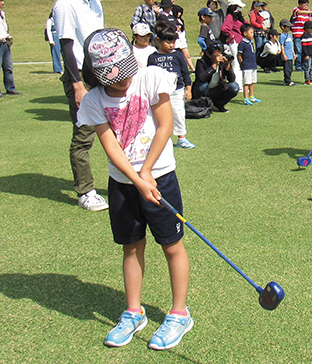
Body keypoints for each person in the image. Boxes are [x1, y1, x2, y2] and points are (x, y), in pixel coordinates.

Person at [77, 27, 194, 350]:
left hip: (161, 177)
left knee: (172, 245)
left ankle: (179, 313)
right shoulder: (94, 99)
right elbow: (110, 145)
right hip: (123, 183)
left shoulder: (150, 77)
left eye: (126, 71)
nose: (123, 81)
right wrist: (136, 179)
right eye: (114, 77)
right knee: (131, 246)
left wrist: (146, 172)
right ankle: (133, 311)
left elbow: (165, 126)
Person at [53, 0, 109, 211]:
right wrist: (77, 85)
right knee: (84, 135)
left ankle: (126, 180)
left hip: (102, 73)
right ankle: (85, 191)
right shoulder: (65, 4)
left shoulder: (95, 3)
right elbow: (66, 46)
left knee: (117, 127)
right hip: (79, 76)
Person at [148, 22, 195, 149]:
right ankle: (160, 138)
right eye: (167, 42)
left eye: (173, 42)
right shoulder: (153, 57)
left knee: (178, 113)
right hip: (159, 92)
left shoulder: (178, 54)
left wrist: (188, 88)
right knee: (158, 115)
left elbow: (185, 72)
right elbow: (149, 76)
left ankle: (181, 138)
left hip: (176, 90)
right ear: (158, 40)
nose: (171, 45)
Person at [192, 41, 239, 113]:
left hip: (217, 89)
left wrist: (227, 67)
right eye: (216, 54)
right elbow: (201, 78)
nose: (219, 56)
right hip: (204, 90)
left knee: (234, 86)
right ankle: (203, 105)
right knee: (203, 85)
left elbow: (231, 79)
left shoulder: (222, 63)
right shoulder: (201, 62)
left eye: (220, 53)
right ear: (209, 55)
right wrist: (214, 66)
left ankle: (219, 104)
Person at [220, 0, 248, 92]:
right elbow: (224, 28)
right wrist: (231, 35)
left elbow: (246, 24)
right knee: (236, 63)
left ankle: (240, 84)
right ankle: (238, 84)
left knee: (239, 63)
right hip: (234, 42)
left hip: (239, 41)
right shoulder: (230, 16)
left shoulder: (236, 17)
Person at [0, 0, 21, 97]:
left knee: (8, 67)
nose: (3, 3)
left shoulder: (2, 14)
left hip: (5, 43)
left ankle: (10, 88)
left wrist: (8, 36)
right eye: (1, 1)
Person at [238, 24, 262, 105]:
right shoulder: (242, 43)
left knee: (253, 81)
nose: (253, 34)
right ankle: (246, 98)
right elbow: (239, 55)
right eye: (251, 32)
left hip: (253, 65)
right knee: (247, 82)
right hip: (247, 66)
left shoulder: (251, 42)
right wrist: (241, 63)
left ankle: (251, 96)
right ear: (245, 33)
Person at [172, 4, 195, 71]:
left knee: (187, 55)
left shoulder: (181, 20)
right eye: (178, 12)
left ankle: (192, 68)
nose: (180, 13)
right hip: (176, 41)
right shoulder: (172, 20)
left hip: (182, 41)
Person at [291, 0, 312, 71]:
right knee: (298, 50)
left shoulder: (308, 12)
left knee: (305, 51)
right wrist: (310, 12)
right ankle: (298, 65)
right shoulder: (296, 9)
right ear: (300, 4)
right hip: (297, 33)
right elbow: (299, 12)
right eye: (305, 4)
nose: (306, 6)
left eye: (307, 5)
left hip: (305, 35)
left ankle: (304, 65)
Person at [279, 18, 297, 86]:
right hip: (286, 55)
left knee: (290, 68)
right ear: (283, 27)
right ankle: (287, 81)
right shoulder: (282, 36)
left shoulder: (289, 35)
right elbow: (282, 46)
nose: (289, 28)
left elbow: (291, 45)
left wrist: (293, 53)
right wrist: (283, 54)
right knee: (286, 69)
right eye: (287, 27)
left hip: (290, 55)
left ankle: (289, 79)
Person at [301, 20, 312, 84]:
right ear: (306, 28)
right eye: (310, 28)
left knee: (311, 67)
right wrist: (306, 55)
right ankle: (307, 79)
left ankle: (311, 78)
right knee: (307, 67)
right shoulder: (304, 36)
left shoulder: (310, 35)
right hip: (308, 55)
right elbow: (304, 47)